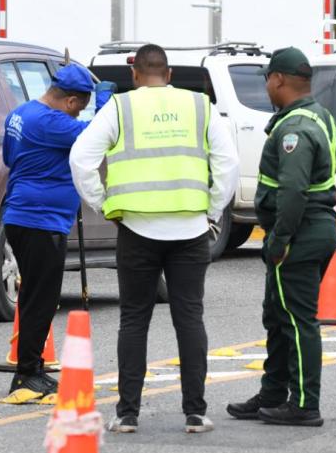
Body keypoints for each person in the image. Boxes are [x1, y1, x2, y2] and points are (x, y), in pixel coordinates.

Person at [69, 44, 238, 434]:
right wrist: (211, 211)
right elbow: (227, 163)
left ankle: (128, 414)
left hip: (137, 229)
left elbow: (80, 158)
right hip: (190, 230)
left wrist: (104, 204)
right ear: (170, 74)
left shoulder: (121, 107)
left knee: (133, 320)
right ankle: (195, 413)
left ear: (135, 75)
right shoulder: (199, 105)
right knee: (189, 319)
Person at [226, 47, 336, 427]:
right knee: (278, 315)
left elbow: (293, 190)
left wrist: (279, 240)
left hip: (299, 233)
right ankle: (272, 393)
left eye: (267, 80)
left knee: (296, 320)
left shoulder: (294, 129)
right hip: (315, 228)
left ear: (278, 79)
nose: (266, 87)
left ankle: (305, 404)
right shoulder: (321, 116)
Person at [2, 64, 114, 397]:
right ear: (70, 100)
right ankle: (28, 373)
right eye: (79, 108)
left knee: (33, 295)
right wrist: (105, 105)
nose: (78, 114)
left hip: (23, 214)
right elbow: (97, 137)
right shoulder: (51, 122)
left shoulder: (21, 113)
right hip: (40, 220)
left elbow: (9, 158)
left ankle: (31, 367)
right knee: (41, 298)